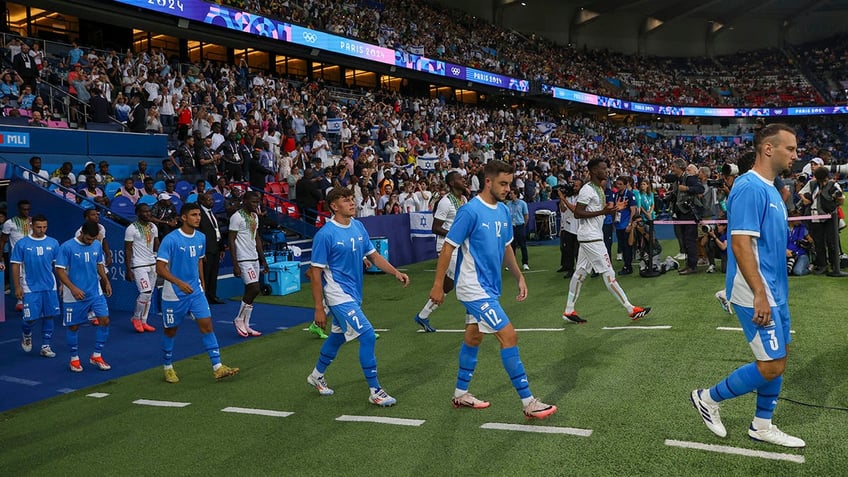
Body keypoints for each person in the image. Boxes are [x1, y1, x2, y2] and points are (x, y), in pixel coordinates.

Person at [690, 123, 805, 448]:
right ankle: (707, 398)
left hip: (775, 290)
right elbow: (739, 243)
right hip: (756, 291)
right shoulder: (749, 186)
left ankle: (761, 425)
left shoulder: (771, 188)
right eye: (791, 149)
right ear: (768, 148)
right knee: (771, 364)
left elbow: (761, 240)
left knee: (779, 357)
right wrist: (758, 294)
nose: (795, 155)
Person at [428, 160, 557, 419]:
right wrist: (437, 285)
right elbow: (448, 247)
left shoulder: (502, 211)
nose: (507, 189)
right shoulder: (470, 211)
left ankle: (460, 394)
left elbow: (507, 247)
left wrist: (519, 276)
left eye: (509, 184)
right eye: (503, 183)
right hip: (473, 288)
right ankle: (528, 402)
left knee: (473, 337)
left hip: (489, 287)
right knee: (509, 336)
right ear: (488, 181)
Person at [305, 187, 410, 407]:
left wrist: (395, 272)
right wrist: (317, 308)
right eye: (346, 200)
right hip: (337, 295)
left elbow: (373, 255)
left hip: (353, 294)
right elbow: (314, 273)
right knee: (368, 336)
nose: (352, 203)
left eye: (352, 199)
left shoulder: (358, 226)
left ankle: (316, 375)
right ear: (334, 206)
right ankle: (375, 391)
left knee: (337, 337)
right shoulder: (325, 234)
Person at [156, 203, 239, 383]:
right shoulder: (171, 240)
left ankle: (218, 367)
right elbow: (160, 269)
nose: (198, 218)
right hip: (174, 294)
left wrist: (201, 283)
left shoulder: (201, 237)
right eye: (193, 215)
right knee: (170, 331)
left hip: (195, 292)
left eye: (199, 215)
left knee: (207, 325)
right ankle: (167, 367)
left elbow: (199, 261)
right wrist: (179, 283)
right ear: (183, 218)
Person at [561, 158, 651, 324]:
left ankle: (569, 310)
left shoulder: (599, 189)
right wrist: (603, 211)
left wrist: (612, 210)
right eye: (604, 168)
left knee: (580, 273)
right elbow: (578, 213)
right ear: (594, 171)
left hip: (591, 236)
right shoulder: (587, 190)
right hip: (591, 237)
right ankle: (631, 309)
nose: (607, 171)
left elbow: (597, 212)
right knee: (609, 274)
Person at [55, 222, 113, 372]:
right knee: (74, 326)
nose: (90, 242)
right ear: (81, 232)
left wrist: (105, 282)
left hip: (95, 292)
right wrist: (73, 288)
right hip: (74, 295)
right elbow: (60, 270)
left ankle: (97, 355)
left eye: (93, 239)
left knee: (104, 320)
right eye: (88, 238)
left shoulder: (96, 244)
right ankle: (74, 358)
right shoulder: (67, 247)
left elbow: (99, 264)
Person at [413, 171, 467, 332]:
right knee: (466, 278)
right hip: (447, 246)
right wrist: (454, 235)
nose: (463, 180)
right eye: (459, 178)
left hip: (459, 245)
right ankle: (476, 317)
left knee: (448, 286)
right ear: (451, 183)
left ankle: (423, 315)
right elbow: (435, 227)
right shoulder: (445, 202)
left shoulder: (462, 199)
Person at [11, 215, 60, 358]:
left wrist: (62, 284)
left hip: (50, 286)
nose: (42, 230)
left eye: (45, 227)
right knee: (30, 319)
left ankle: (46, 346)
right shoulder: (22, 243)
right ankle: (26, 334)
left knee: (49, 316)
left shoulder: (53, 242)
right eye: (39, 227)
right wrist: (17, 286)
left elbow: (58, 266)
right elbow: (15, 265)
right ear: (32, 226)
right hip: (30, 286)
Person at [229, 191, 269, 337]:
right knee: (254, 288)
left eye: (257, 202)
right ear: (244, 200)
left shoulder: (254, 216)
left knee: (251, 290)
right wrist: (235, 263)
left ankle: (246, 323)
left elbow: (256, 237)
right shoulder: (237, 217)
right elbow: (231, 240)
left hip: (253, 257)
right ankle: (239, 319)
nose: (256, 205)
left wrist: (263, 259)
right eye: (253, 202)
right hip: (243, 258)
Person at [125, 203, 159, 333]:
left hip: (152, 263)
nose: (148, 213)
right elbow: (127, 249)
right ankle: (136, 318)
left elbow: (156, 242)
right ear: (138, 213)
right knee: (145, 292)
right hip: (139, 264)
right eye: (144, 212)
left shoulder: (153, 226)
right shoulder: (131, 229)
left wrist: (157, 257)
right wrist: (128, 269)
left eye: (149, 211)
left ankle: (144, 321)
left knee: (149, 295)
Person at [0, 200, 33, 312]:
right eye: (24, 209)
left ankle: (31, 300)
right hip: (17, 256)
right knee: (19, 277)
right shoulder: (9, 223)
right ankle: (20, 300)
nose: (26, 211)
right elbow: (3, 240)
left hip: (31, 254)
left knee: (30, 276)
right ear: (19, 209)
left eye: (28, 209)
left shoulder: (33, 222)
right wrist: (0, 256)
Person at [198, 192, 224, 305]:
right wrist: (201, 251)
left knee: (214, 274)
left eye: (212, 200)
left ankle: (212, 296)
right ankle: (203, 297)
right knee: (205, 274)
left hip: (216, 247)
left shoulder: (212, 213)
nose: (211, 202)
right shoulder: (199, 214)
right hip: (206, 249)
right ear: (202, 201)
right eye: (209, 200)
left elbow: (217, 230)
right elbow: (199, 234)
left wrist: (221, 247)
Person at [506, 187, 530, 270]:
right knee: (511, 246)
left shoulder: (522, 203)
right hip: (511, 226)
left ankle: (525, 263)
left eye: (512, 193)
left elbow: (526, 215)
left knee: (523, 245)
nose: (510, 195)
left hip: (520, 225)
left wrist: (524, 225)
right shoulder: (508, 204)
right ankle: (512, 264)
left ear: (516, 194)